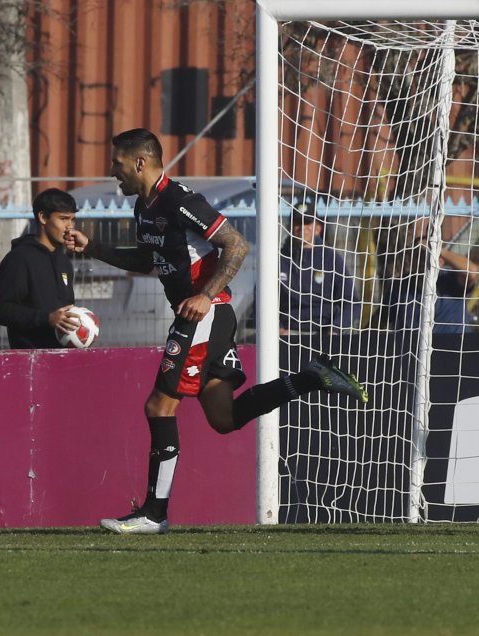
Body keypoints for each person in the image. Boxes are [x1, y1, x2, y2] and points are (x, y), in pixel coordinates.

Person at [63, 128, 368, 535]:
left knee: (158, 407)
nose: (112, 171)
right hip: (203, 315)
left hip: (204, 314)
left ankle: (154, 514)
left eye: (117, 163)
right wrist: (94, 248)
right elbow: (149, 259)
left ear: (140, 162)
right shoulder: (144, 207)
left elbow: (236, 244)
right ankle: (312, 378)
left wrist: (206, 295)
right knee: (223, 418)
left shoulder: (180, 200)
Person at [0, 188, 82, 349]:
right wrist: (46, 318)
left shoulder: (64, 262)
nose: (70, 226)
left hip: (63, 357)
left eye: (72, 220)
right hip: (30, 359)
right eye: (63, 219)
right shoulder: (19, 259)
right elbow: (1, 310)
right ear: (42, 217)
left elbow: (65, 310)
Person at [280, 201, 361, 335]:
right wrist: (277, 328)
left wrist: (335, 329)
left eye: (307, 223)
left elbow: (351, 303)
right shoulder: (277, 260)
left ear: (318, 228)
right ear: (289, 227)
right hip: (287, 333)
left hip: (324, 333)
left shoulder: (331, 258)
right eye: (297, 223)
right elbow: (260, 300)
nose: (302, 227)